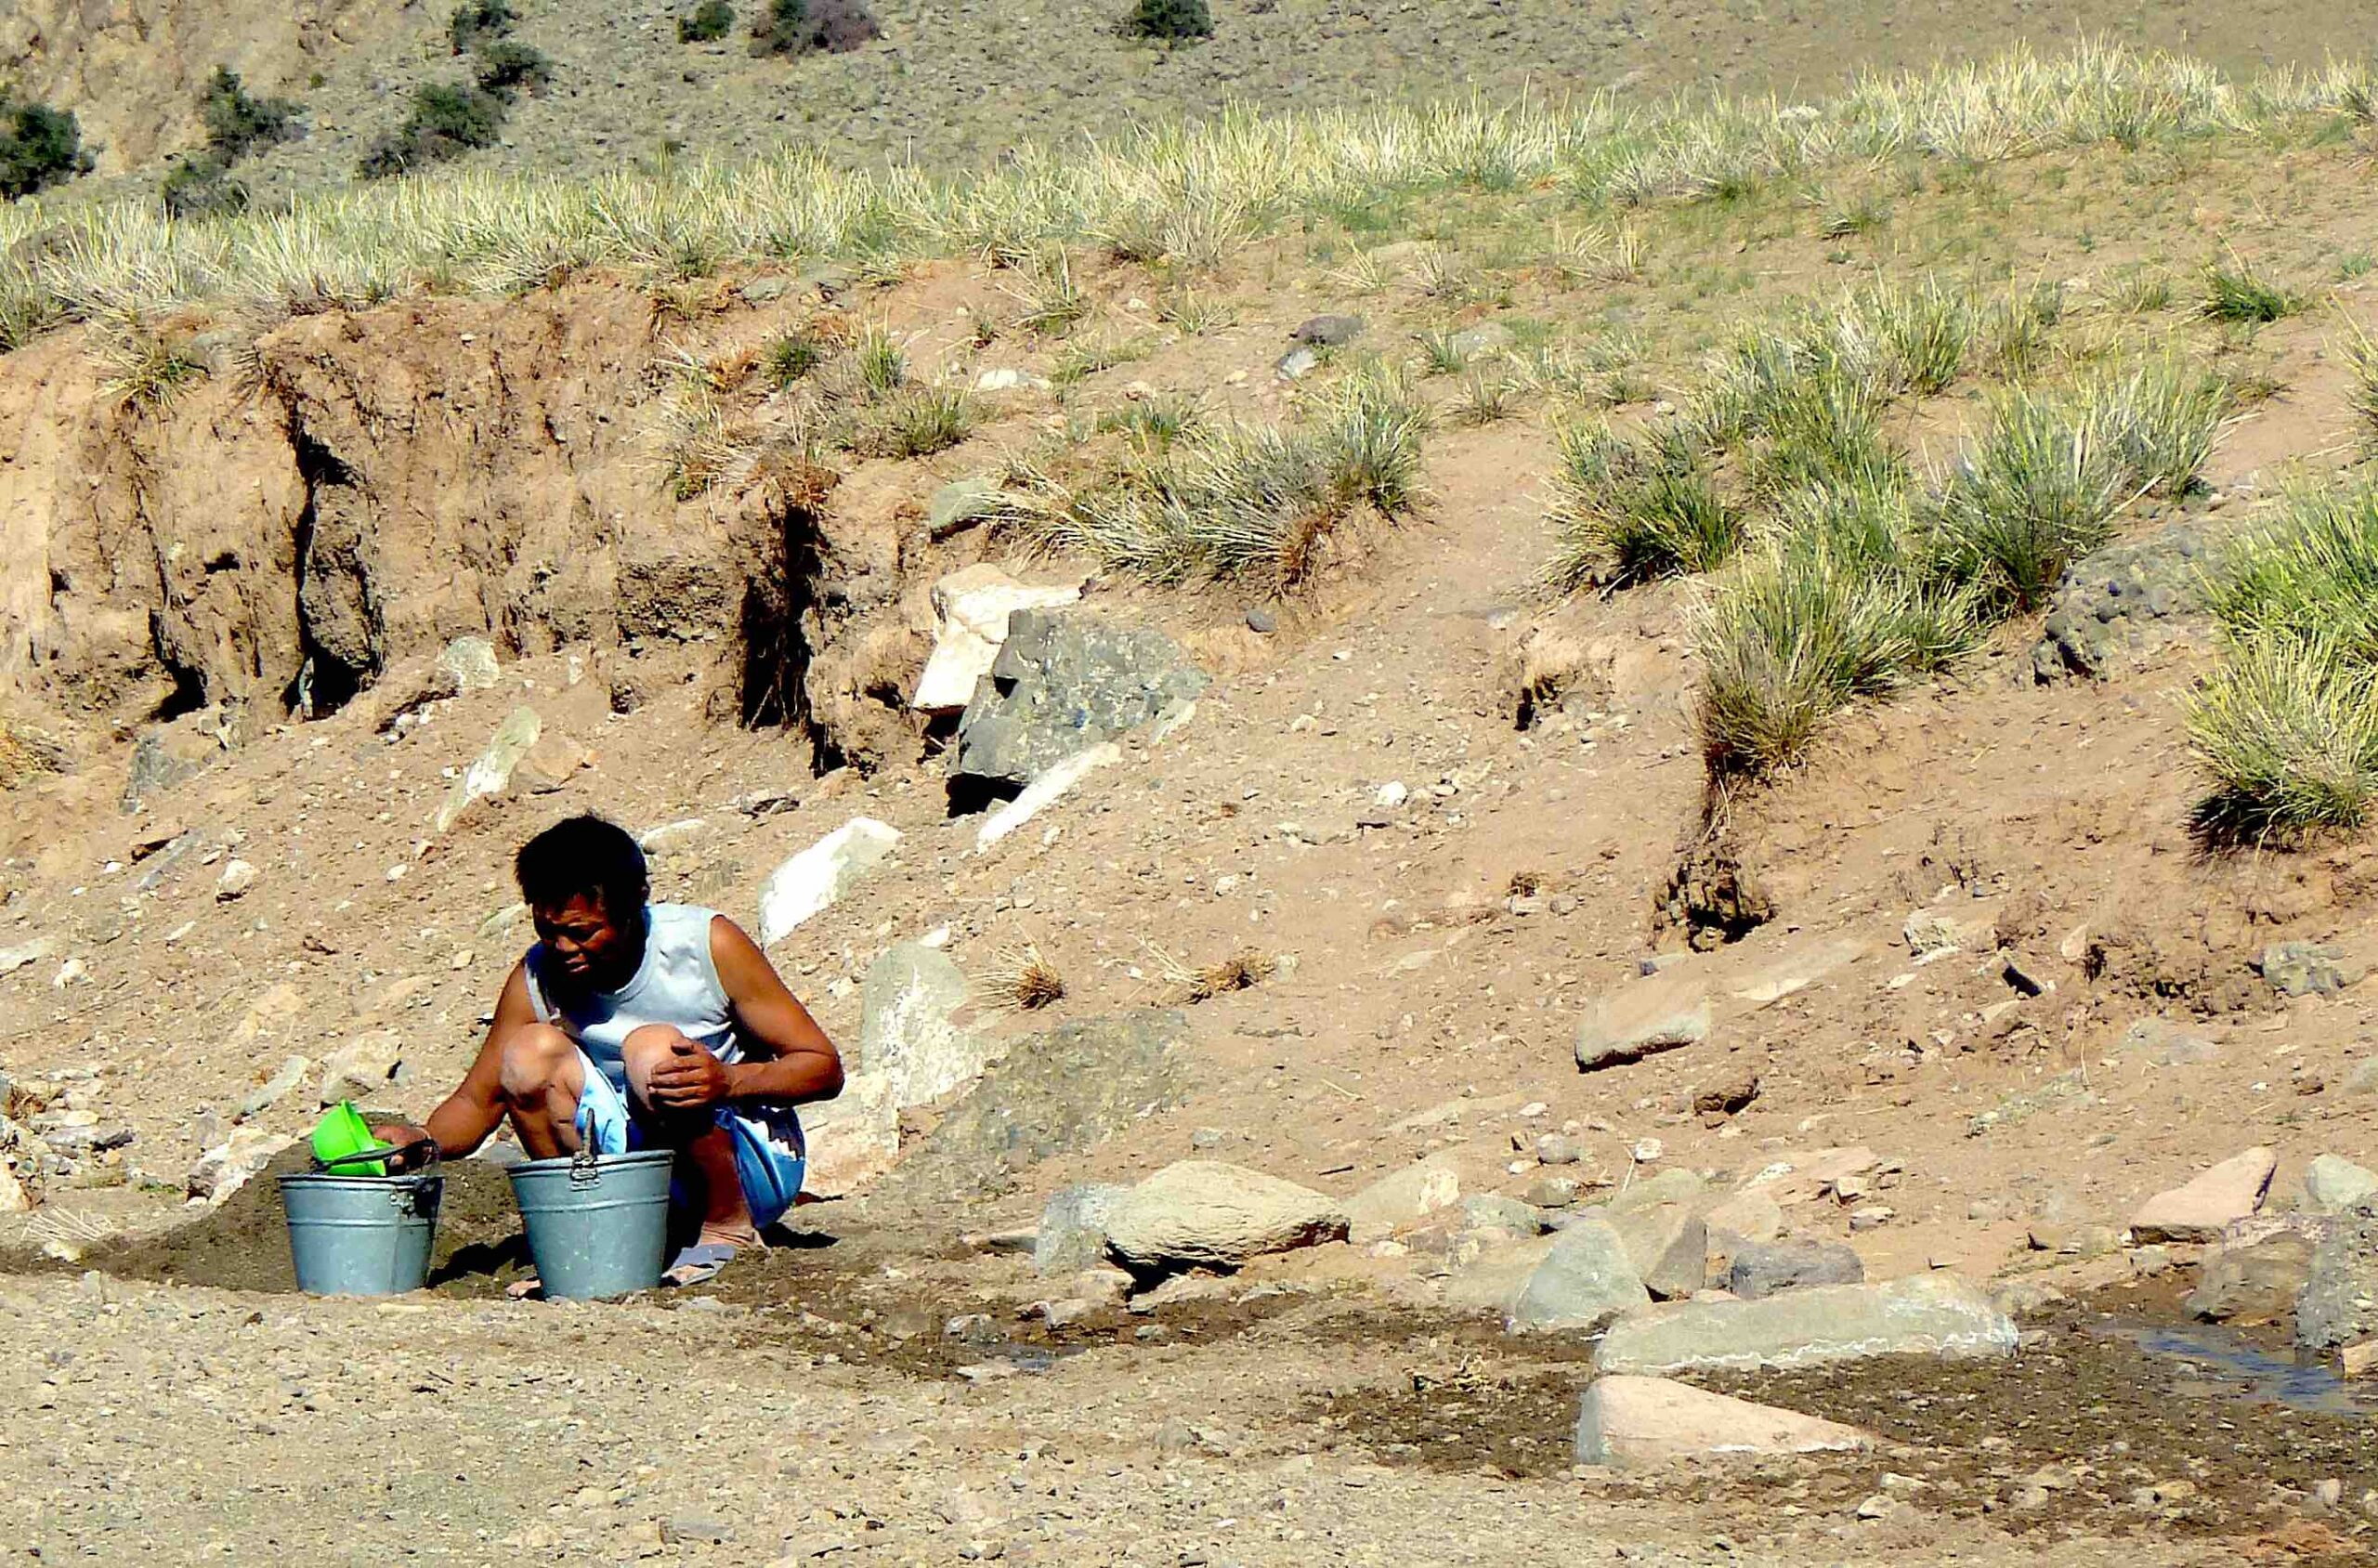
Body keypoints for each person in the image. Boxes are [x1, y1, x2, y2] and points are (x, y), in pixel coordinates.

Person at [376, 813, 843, 1287]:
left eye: (582, 933)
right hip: (639, 1166)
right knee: (527, 1053)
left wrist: (728, 1080)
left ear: (634, 903)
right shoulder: (539, 976)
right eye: (547, 931)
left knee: (653, 1050)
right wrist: (425, 1141)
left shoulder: (705, 944)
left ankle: (727, 1230)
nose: (563, 949)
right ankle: (582, 1231)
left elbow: (822, 1067)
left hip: (746, 1165)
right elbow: (478, 1101)